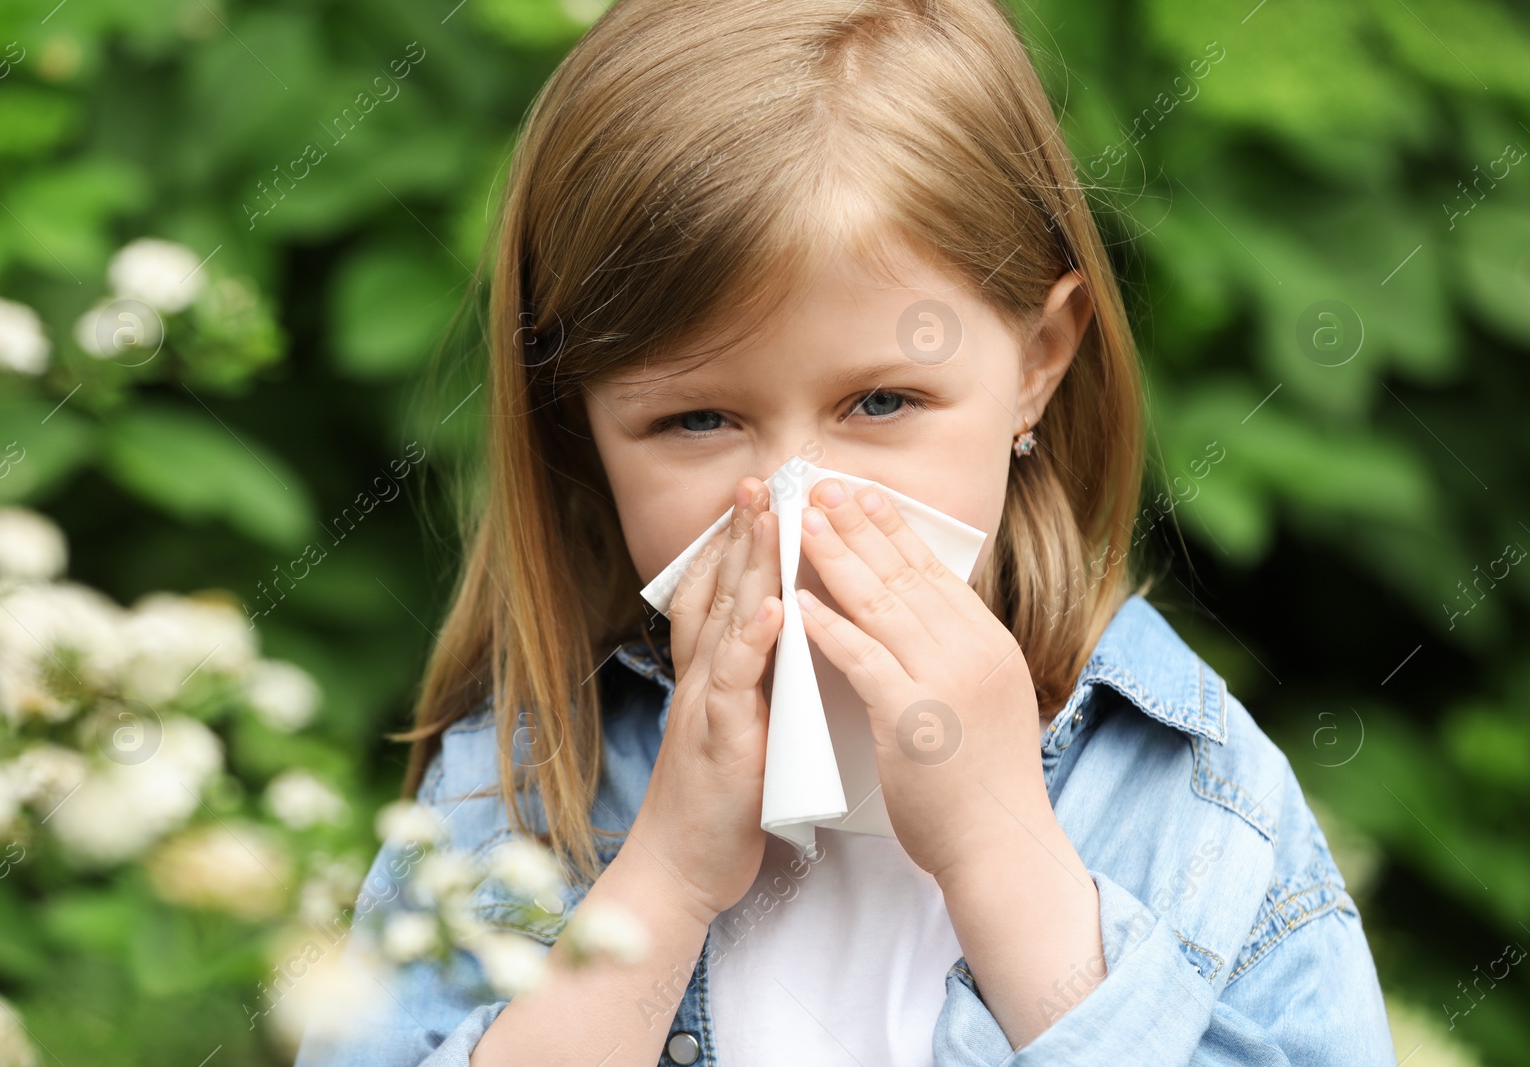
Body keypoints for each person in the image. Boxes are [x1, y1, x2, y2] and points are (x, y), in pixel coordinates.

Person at [294, 0, 1396, 1063]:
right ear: (580, 428)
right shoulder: (517, 784)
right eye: (697, 419)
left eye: (880, 403)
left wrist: (1002, 858)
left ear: (1036, 364)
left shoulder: (1189, 798)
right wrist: (663, 877)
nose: (795, 500)